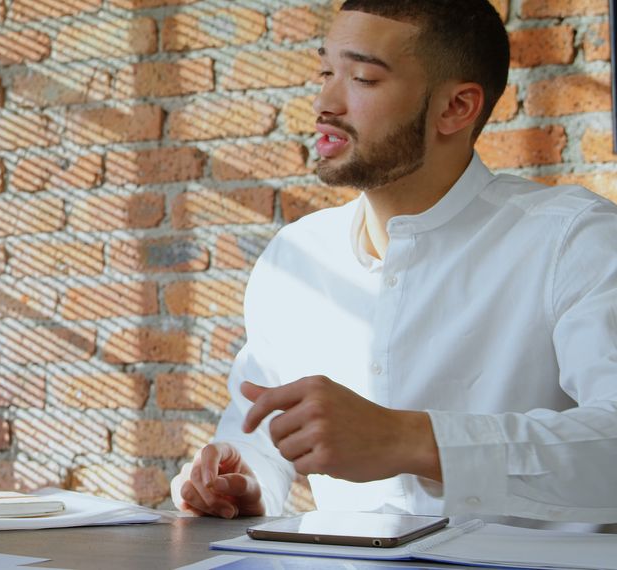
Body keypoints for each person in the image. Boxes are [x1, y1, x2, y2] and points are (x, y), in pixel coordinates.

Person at [172, 0, 617, 524]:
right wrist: (243, 482)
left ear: (456, 108)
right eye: (325, 71)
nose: (325, 102)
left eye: (362, 78)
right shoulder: (295, 259)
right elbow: (260, 442)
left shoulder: (573, 239)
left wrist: (412, 440)